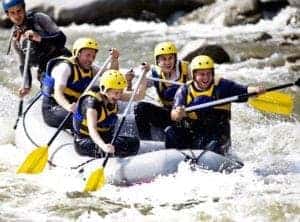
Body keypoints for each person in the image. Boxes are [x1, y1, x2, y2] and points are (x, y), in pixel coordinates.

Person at [166, 55, 265, 155]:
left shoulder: (222, 86)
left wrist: (256, 90)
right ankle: (173, 157)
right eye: (201, 74)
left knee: (213, 145)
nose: (206, 78)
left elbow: (244, 90)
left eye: (209, 74)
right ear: (194, 75)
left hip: (218, 134)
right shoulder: (184, 90)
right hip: (195, 132)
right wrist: (178, 113)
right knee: (171, 131)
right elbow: (174, 115)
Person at [41, 37, 120, 130]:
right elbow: (58, 93)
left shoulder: (91, 68)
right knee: (88, 120)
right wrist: (68, 106)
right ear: (77, 54)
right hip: (54, 108)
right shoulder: (65, 68)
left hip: (75, 107)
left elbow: (111, 74)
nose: (91, 59)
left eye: (93, 56)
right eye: (88, 55)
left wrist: (115, 59)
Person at [2, 0, 71, 97]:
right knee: (48, 87)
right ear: (7, 15)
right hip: (45, 69)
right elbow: (22, 65)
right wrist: (26, 86)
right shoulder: (15, 38)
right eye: (12, 13)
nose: (17, 16)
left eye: (19, 11)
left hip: (61, 57)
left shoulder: (39, 18)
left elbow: (61, 38)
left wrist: (39, 38)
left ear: (24, 9)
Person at [73, 69, 147, 158]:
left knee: (133, 143)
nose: (119, 96)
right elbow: (92, 130)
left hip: (105, 137)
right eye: (116, 93)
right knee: (110, 148)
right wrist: (104, 146)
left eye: (121, 92)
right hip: (86, 141)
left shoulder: (112, 95)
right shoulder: (92, 104)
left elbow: (140, 95)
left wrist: (144, 74)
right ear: (105, 89)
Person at [134, 41, 189, 140]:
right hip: (167, 113)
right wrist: (143, 75)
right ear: (158, 61)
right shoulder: (154, 74)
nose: (168, 62)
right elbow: (138, 95)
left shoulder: (186, 69)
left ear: (175, 58)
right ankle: (145, 141)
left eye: (170, 58)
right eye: (163, 59)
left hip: (185, 113)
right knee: (140, 107)